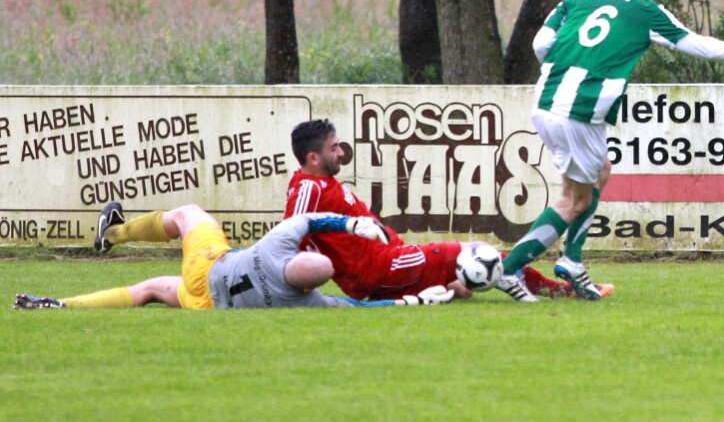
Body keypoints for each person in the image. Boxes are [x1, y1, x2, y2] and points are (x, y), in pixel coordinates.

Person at [500, 0, 724, 300]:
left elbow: (540, 44)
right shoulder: (645, 10)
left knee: (600, 171)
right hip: (580, 110)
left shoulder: (575, 0)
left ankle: (573, 259)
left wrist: (566, 67)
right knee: (573, 200)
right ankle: (510, 270)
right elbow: (690, 42)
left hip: (547, 100)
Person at [284, 119, 614, 303]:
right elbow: (289, 234)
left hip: (385, 267)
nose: (341, 152)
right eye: (333, 148)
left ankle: (457, 287)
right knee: (480, 253)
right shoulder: (309, 187)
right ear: (313, 158)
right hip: (384, 267)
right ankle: (564, 291)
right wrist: (285, 284)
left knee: (462, 285)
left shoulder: (321, 185)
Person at [13, 203, 454, 310]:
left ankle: (113, 232)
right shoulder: (305, 304)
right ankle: (61, 305)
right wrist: (411, 301)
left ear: (297, 260)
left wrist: (350, 224)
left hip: (209, 266)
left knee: (188, 214)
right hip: (209, 305)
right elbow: (358, 307)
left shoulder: (275, 248)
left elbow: (309, 220)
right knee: (149, 290)